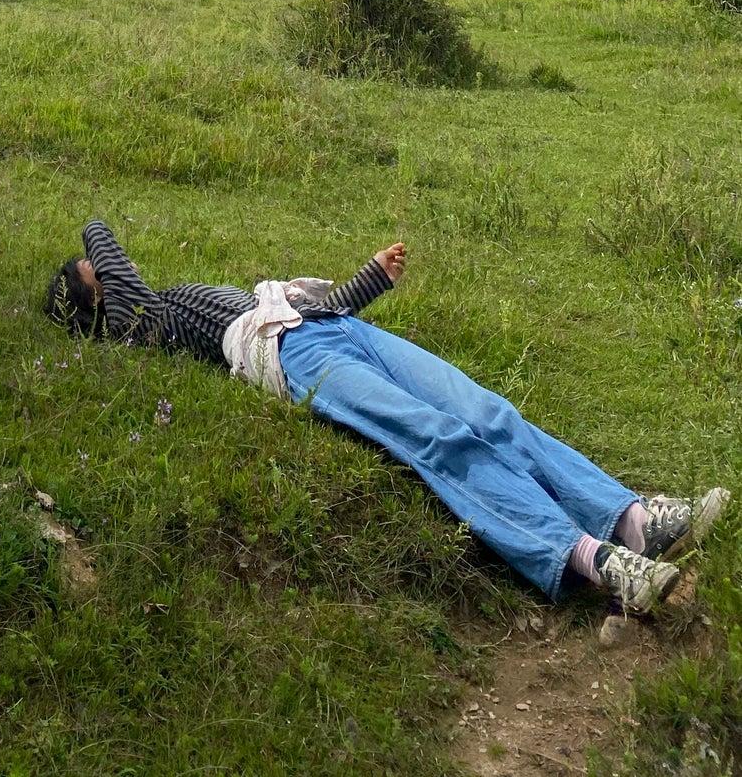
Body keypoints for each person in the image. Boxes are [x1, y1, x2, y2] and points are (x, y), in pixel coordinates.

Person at [46, 220, 730, 615]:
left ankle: (632, 519)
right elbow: (99, 231)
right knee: (432, 436)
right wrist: (84, 264)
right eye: (97, 275)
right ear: (95, 299)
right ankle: (592, 560)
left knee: (485, 408)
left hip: (327, 326)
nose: (112, 269)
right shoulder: (140, 319)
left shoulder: (151, 306)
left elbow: (316, 306)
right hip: (289, 358)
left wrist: (368, 279)